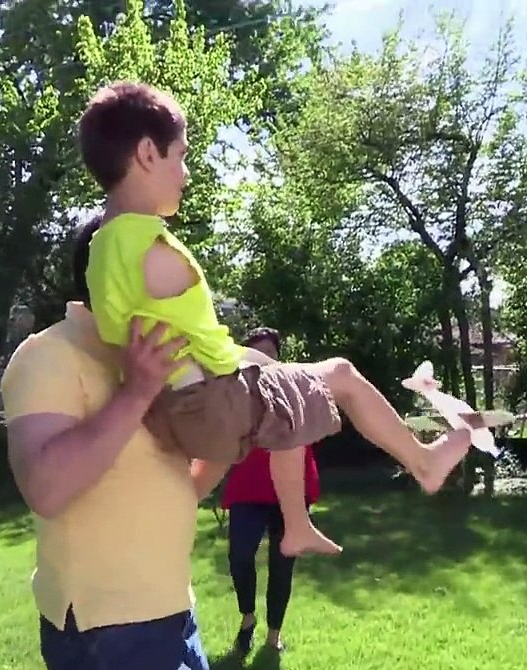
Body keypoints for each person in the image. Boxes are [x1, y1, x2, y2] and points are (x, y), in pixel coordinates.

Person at [75, 80, 484, 559]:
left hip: (171, 412)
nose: (185, 173)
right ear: (147, 153)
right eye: (179, 156)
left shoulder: (101, 248)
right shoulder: (155, 250)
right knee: (339, 375)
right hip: (211, 405)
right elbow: (212, 350)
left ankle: (245, 514)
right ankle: (424, 463)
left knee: (280, 389)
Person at [1, 251, 227, 670]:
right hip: (108, 625)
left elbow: (170, 492)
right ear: (113, 277)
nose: (180, 291)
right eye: (164, 277)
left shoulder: (154, 356)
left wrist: (230, 440)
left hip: (171, 610)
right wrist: (139, 391)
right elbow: (45, 489)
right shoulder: (48, 355)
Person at [221, 327, 318, 655]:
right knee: (239, 556)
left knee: (283, 561)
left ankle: (274, 635)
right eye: (257, 355)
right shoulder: (233, 394)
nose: (265, 362)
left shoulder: (295, 387)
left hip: (290, 489)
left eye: (270, 355)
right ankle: (247, 620)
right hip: (248, 488)